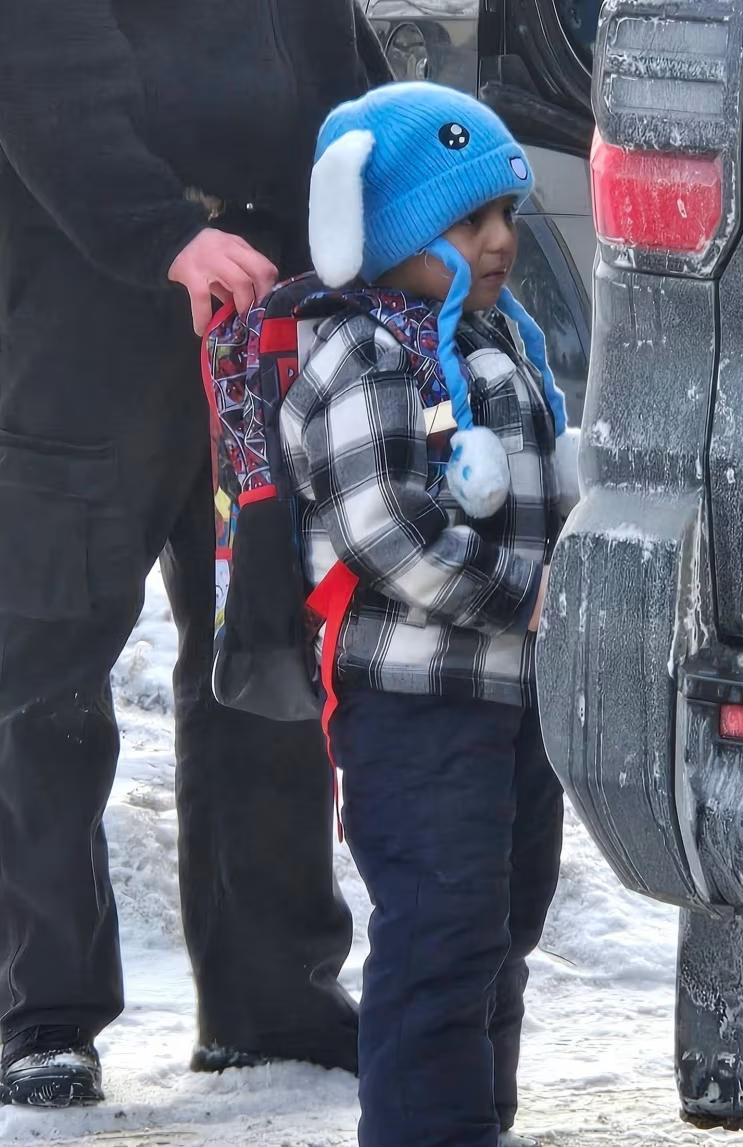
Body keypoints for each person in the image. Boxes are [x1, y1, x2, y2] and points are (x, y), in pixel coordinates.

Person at [0, 0, 390, 1108]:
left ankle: (271, 1001)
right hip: (85, 324)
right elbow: (38, 68)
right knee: (46, 665)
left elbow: (348, 88)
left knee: (265, 650)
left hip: (269, 319)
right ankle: (40, 1012)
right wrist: (162, 233)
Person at [280, 82, 578, 1147]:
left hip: (511, 701)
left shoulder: (503, 341)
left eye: (504, 214)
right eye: (466, 220)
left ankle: (475, 1122)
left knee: (502, 930)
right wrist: (526, 598)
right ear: (385, 228)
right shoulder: (362, 352)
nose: (498, 240)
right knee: (438, 936)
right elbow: (386, 531)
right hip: (413, 706)